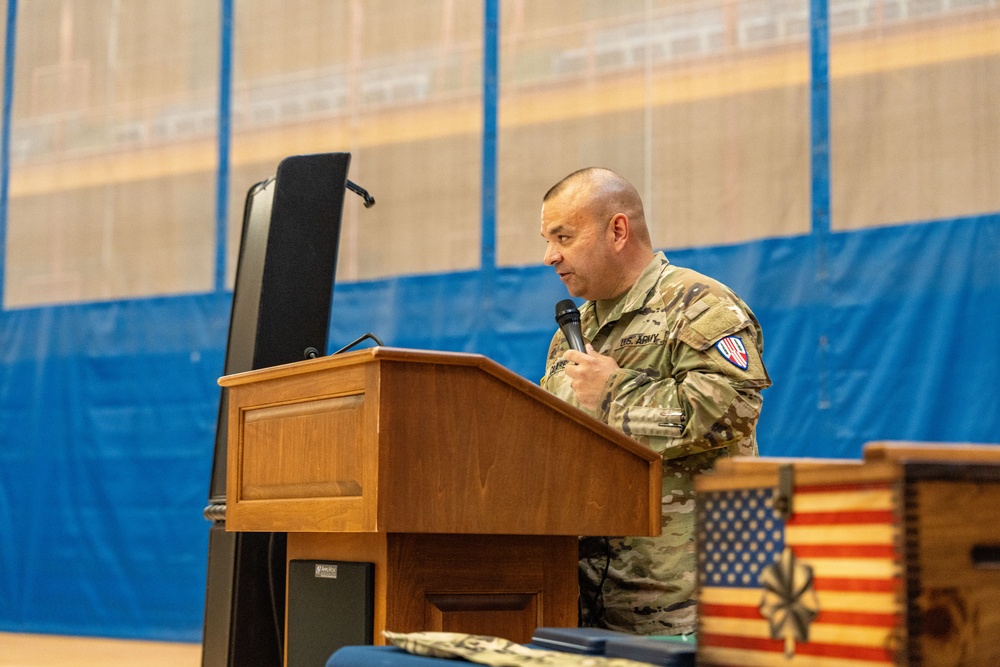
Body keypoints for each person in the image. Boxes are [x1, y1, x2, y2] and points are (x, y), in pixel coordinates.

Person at [539, 167, 771, 636]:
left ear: (618, 230)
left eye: (563, 236)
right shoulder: (570, 335)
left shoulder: (698, 304)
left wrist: (614, 394)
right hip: (586, 602)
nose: (550, 256)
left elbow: (732, 409)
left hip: (686, 603)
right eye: (546, 239)